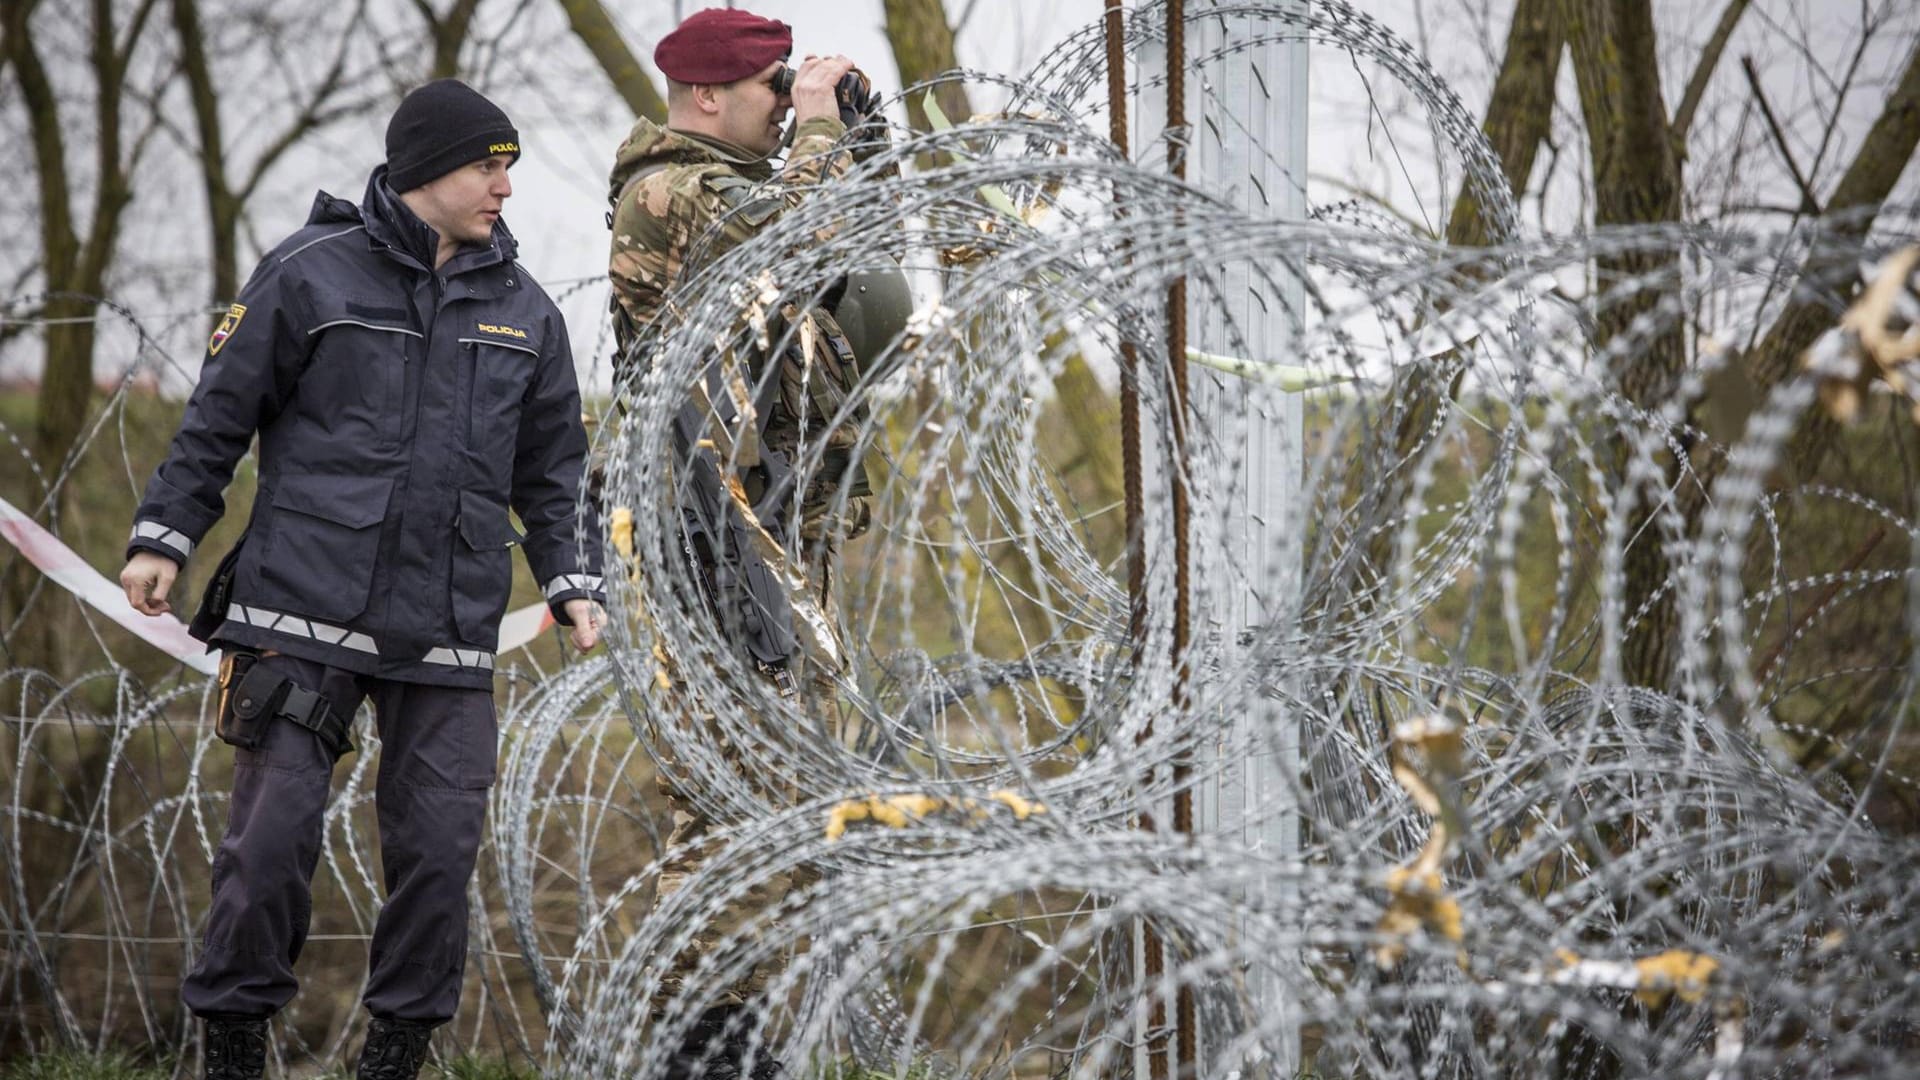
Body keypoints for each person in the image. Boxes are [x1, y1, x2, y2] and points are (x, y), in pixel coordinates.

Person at [119, 79, 605, 1080]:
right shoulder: (308, 274)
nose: (506, 186)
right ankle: (235, 1049)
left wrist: (571, 578)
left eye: (510, 165)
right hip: (298, 611)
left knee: (437, 858)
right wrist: (164, 536)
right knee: (268, 851)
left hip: (450, 630)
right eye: (489, 164)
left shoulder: (527, 313)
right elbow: (218, 418)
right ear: (426, 167)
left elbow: (554, 475)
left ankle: (395, 1057)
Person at [604, 8, 899, 1078]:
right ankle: (699, 1038)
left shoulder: (759, 186)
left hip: (778, 541)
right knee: (714, 803)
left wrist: (863, 146)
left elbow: (874, 287)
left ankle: (745, 1033)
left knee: (776, 804)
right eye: (777, 89)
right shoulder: (667, 192)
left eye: (793, 88)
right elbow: (787, 243)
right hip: (704, 541)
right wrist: (819, 135)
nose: (789, 106)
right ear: (708, 97)